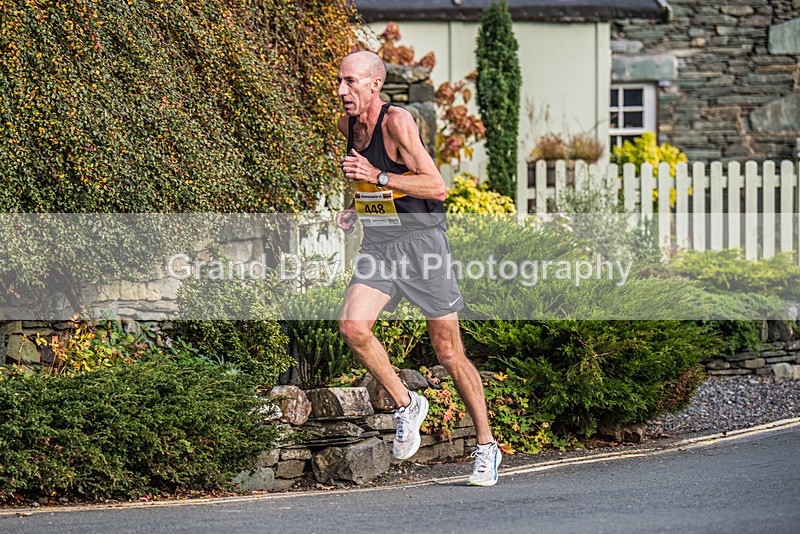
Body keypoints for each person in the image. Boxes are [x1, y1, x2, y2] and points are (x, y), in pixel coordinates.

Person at [334, 50, 501, 486]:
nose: (341, 91)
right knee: (352, 326)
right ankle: (407, 404)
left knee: (448, 352)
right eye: (340, 81)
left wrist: (380, 176)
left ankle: (486, 445)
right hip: (381, 243)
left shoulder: (397, 122)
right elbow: (365, 179)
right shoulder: (347, 125)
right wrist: (356, 205)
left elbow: (436, 186)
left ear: (374, 84)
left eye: (351, 82)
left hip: (422, 245)